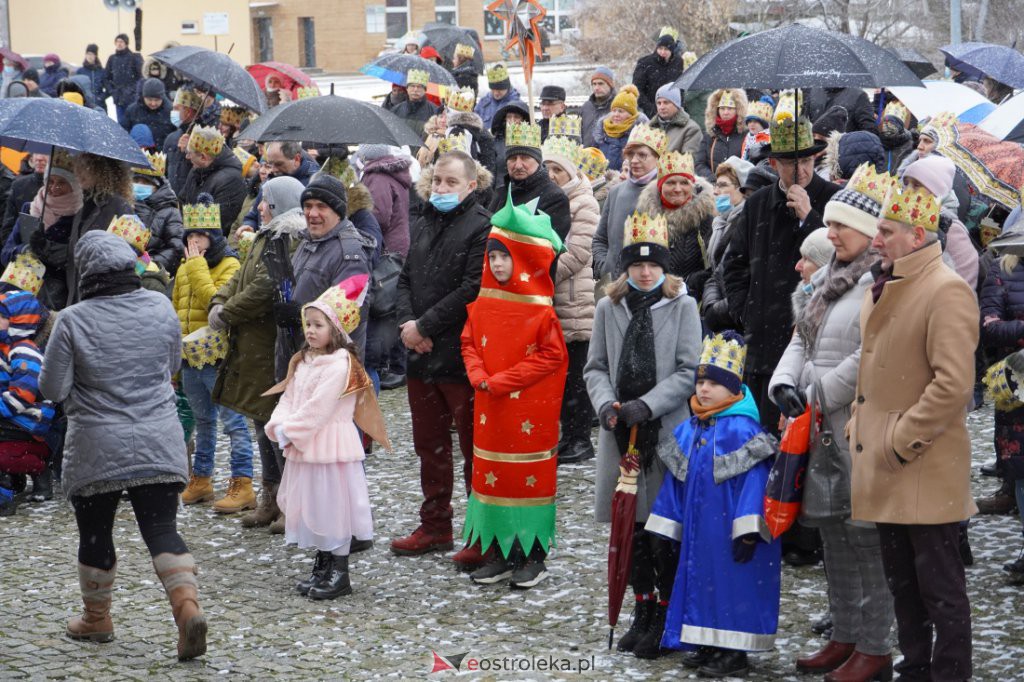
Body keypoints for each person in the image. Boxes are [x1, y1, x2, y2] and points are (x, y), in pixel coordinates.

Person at [39, 230, 207, 661]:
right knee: (162, 528)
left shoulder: (72, 320)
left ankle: (97, 619)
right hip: (159, 438)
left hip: (97, 444)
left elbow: (53, 388)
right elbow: (171, 365)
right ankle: (186, 607)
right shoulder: (160, 306)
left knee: (96, 532)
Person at [770, 163, 897, 681]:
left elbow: (870, 354)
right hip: (817, 424)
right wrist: (785, 383)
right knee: (833, 538)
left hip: (853, 426)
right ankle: (844, 634)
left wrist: (816, 392)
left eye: (841, 225)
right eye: (830, 223)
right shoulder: (825, 279)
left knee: (865, 539)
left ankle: (875, 645)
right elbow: (802, 338)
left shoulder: (880, 283)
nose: (831, 232)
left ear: (868, 232)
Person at [850, 183, 977, 682]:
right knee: (903, 585)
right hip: (888, 460)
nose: (875, 239)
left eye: (885, 231)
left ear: (916, 235)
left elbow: (953, 385)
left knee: (940, 589)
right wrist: (864, 428)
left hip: (922, 464)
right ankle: (916, 669)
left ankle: (949, 674)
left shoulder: (945, 289)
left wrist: (900, 441)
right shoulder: (885, 282)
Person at [585, 210, 702, 660]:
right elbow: (595, 366)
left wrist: (648, 404)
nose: (646, 272)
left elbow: (689, 370)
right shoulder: (607, 306)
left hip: (663, 431)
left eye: (654, 264)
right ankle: (642, 605)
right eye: (637, 264)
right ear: (626, 267)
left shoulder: (682, 305)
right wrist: (605, 405)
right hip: (621, 434)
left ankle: (666, 612)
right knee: (629, 527)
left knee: (661, 529)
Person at [645, 331, 780, 677]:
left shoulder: (744, 432)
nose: (704, 389)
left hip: (731, 534)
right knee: (700, 583)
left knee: (733, 587)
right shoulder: (692, 427)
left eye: (714, 384)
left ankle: (733, 651)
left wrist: (749, 529)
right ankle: (707, 641)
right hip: (699, 532)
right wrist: (665, 525)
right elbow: (677, 483)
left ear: (733, 389)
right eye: (701, 381)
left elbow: (755, 485)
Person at [390, 151, 491, 567]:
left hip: (459, 356)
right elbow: (405, 280)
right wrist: (407, 325)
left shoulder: (481, 227)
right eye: (438, 182)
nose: (442, 189)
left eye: (451, 182)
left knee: (472, 448)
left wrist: (426, 326)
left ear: (471, 184)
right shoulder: (422, 221)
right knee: (428, 447)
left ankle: (480, 532)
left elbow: (472, 289)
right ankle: (435, 525)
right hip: (421, 355)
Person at [460, 196, 567, 588]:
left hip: (525, 410)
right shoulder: (484, 302)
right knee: (492, 474)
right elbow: (469, 340)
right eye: (493, 257)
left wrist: (502, 381)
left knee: (527, 477)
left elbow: (552, 356)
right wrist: (477, 373)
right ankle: (499, 551)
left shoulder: (541, 311)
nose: (497, 264)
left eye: (505, 257)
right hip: (491, 405)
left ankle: (532, 555)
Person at [265, 274, 388, 599]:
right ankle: (322, 564)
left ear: (335, 329)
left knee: (332, 508)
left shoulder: (340, 365)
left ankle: (339, 570)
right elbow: (289, 398)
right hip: (306, 446)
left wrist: (289, 430)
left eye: (319, 325)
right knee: (314, 507)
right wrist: (277, 424)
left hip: (330, 447)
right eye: (308, 323)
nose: (310, 330)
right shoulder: (305, 360)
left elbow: (317, 410)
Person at [722, 114, 839, 433]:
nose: (800, 171)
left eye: (806, 161)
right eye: (790, 163)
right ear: (774, 164)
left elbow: (840, 259)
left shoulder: (831, 200)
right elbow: (733, 264)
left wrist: (810, 218)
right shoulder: (758, 203)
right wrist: (746, 311)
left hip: (812, 341)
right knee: (762, 442)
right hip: (762, 343)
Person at [208, 176, 307, 533]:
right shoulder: (267, 235)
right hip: (252, 345)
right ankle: (271, 496)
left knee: (277, 426)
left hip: (272, 343)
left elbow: (265, 288)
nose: (259, 207)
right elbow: (241, 277)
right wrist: (219, 301)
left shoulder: (290, 238)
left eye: (265, 201)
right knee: (261, 421)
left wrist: (228, 311)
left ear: (278, 205)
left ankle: (288, 503)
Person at [173, 198, 255, 513]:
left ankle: (243, 482)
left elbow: (215, 304)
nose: (194, 243)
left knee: (233, 422)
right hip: (189, 357)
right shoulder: (183, 268)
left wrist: (195, 267)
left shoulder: (230, 265)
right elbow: (176, 308)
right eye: (189, 237)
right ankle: (202, 479)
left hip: (217, 357)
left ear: (213, 236)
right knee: (203, 421)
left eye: (200, 236)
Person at [272, 173, 375, 373]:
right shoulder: (307, 241)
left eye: (321, 206)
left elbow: (350, 316)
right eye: (308, 206)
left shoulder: (350, 254)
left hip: (328, 367)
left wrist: (300, 316)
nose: (312, 213)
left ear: (338, 211)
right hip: (301, 358)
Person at [541, 135, 599, 464]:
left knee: (575, 373)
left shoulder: (583, 202)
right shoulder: (547, 200)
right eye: (546, 168)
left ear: (571, 173)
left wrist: (541, 276)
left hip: (572, 297)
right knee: (559, 375)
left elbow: (577, 252)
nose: (551, 175)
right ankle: (567, 436)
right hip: (552, 298)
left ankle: (579, 440)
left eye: (557, 169)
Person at [32, 153, 135, 309]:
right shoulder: (84, 205)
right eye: (78, 165)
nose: (79, 171)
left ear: (101, 170)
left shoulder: (118, 206)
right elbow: (74, 254)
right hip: (77, 296)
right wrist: (45, 247)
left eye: (86, 166)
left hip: (103, 299)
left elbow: (125, 256)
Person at [0, 289, 56, 517]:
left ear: (18, 322)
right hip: (6, 417)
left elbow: (22, 397)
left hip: (26, 421)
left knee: (4, 455)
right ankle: (12, 478)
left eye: (2, 317)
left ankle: (38, 466)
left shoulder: (24, 352)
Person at [633, 151, 715, 300]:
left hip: (693, 299)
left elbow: (713, 267)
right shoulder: (644, 215)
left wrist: (690, 283)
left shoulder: (705, 216)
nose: (678, 189)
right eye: (670, 182)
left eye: (684, 183)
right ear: (660, 186)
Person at [592, 124, 668, 282]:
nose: (634, 160)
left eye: (642, 155)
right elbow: (600, 238)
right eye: (630, 154)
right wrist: (604, 267)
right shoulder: (615, 192)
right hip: (615, 285)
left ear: (657, 158)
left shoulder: (667, 192)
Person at [489, 122, 571, 241]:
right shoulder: (501, 192)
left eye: (525, 158)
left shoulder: (555, 197)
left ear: (538, 161)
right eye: (512, 158)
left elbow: (549, 246)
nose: (518, 165)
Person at [179, 126, 247, 232]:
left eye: (189, 153)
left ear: (203, 157)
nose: (187, 157)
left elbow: (217, 224)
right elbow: (182, 201)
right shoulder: (196, 170)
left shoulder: (231, 180)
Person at [240, 141, 319, 231]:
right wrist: (249, 226)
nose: (273, 170)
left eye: (279, 164)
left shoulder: (313, 185)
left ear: (297, 159)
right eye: (270, 164)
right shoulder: (270, 180)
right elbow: (254, 215)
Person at [131, 152, 185, 275]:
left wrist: (148, 264)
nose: (140, 185)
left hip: (149, 274)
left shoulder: (170, 212)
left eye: (146, 182)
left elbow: (176, 248)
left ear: (157, 186)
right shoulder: (124, 205)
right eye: (136, 180)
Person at [695, 89, 748, 180]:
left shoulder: (747, 135)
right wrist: (714, 179)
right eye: (722, 108)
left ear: (738, 110)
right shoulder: (709, 135)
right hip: (714, 187)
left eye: (730, 108)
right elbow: (700, 164)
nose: (725, 112)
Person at [1, 154, 48, 247]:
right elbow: (8, 225)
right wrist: (13, 252)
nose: (39, 158)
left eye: (46, 153)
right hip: (20, 252)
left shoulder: (70, 190)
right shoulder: (19, 185)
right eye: (36, 152)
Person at [632, 33, 683, 118]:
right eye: (660, 48)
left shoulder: (678, 62)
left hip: (673, 111)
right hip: (650, 111)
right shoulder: (645, 63)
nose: (662, 52)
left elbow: (679, 86)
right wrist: (652, 109)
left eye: (666, 49)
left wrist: (678, 106)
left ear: (672, 50)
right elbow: (637, 90)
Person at [163, 88, 203, 194]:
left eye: (176, 108)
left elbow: (208, 170)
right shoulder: (171, 137)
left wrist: (191, 150)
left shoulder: (205, 138)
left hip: (193, 199)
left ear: (188, 112)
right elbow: (164, 172)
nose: (173, 112)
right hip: (173, 198)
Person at [595, 85, 642, 172]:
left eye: (621, 111)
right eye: (614, 110)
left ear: (631, 115)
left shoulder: (637, 136)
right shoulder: (602, 132)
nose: (616, 114)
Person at [650, 84, 702, 156]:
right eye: (659, 103)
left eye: (666, 102)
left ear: (676, 104)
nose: (661, 107)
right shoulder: (649, 127)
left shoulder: (691, 129)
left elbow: (688, 160)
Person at [123, 78, 175, 149]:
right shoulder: (132, 110)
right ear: (144, 97)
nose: (153, 103)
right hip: (140, 152)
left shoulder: (171, 111)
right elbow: (124, 132)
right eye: (149, 100)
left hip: (162, 153)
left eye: (157, 100)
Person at [104, 33, 143, 127]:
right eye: (117, 41)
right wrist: (112, 91)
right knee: (121, 125)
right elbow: (106, 78)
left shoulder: (134, 57)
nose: (119, 43)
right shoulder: (112, 59)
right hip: (118, 98)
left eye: (121, 41)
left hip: (132, 98)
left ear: (126, 43)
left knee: (133, 123)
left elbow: (141, 77)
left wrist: (132, 90)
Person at [391, 69, 439, 138]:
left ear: (425, 90)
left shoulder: (434, 111)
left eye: (419, 86)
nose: (415, 89)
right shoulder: (396, 110)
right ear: (407, 89)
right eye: (412, 86)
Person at [807, 87, 876, 134]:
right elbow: (805, 122)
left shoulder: (859, 95)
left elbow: (869, 130)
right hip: (817, 151)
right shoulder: (813, 91)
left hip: (844, 151)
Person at [473, 63, 521, 131]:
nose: (496, 93)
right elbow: (473, 123)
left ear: (507, 87)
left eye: (499, 90)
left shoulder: (517, 105)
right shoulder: (483, 103)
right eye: (493, 89)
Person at [582, 66, 617, 148]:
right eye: (594, 84)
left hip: (610, 158)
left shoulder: (619, 108)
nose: (596, 88)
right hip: (586, 157)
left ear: (610, 85)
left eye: (601, 83)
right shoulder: (586, 107)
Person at [877, 101, 914, 174]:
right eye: (885, 123)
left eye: (891, 124)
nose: (887, 127)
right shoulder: (877, 143)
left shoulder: (908, 146)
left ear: (899, 127)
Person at [76, 44, 107, 109]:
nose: (90, 56)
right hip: (85, 105)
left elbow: (108, 88)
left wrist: (100, 98)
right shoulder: (80, 71)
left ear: (95, 56)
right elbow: (75, 87)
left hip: (99, 105)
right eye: (88, 54)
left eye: (92, 54)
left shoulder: (101, 71)